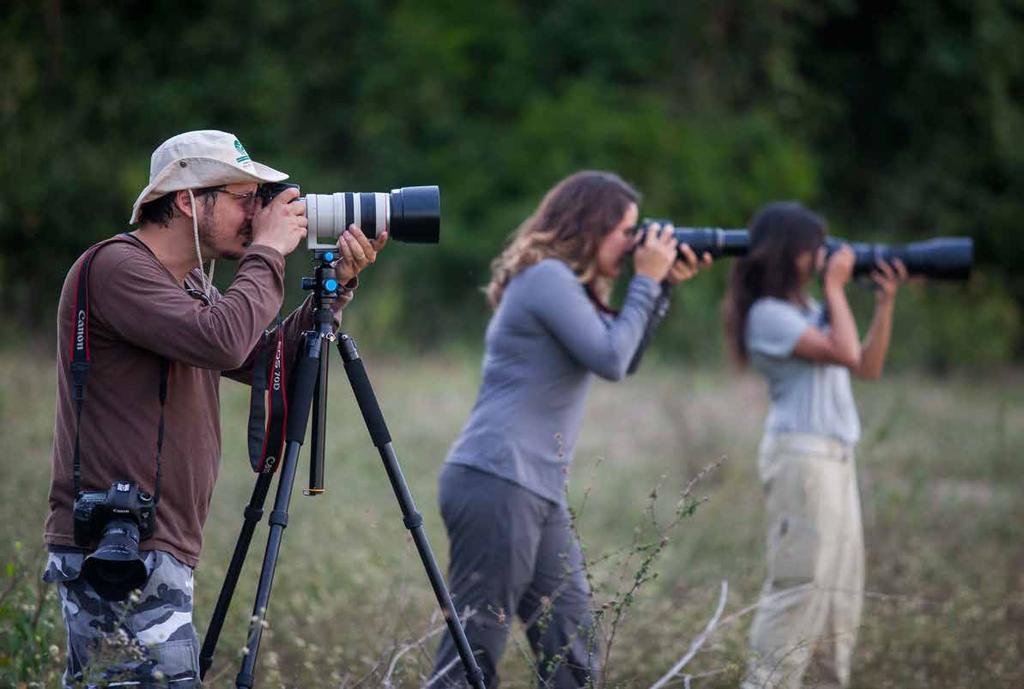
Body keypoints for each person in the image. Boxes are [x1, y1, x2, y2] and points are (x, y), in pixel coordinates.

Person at [42, 130, 387, 688]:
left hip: (154, 542)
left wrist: (334, 291)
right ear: (186, 199)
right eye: (243, 197)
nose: (258, 213)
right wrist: (269, 252)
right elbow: (222, 339)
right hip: (117, 542)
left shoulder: (188, 286)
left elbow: (258, 361)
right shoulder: (115, 268)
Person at [430, 170, 711, 688]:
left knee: (572, 650)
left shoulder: (566, 288)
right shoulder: (547, 278)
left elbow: (623, 358)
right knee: (472, 658)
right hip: (497, 479)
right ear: (590, 225)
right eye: (626, 231)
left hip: (536, 487)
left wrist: (662, 287)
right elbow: (609, 357)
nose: (632, 245)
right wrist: (646, 281)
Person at [723, 202, 907, 689]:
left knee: (838, 598)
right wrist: (835, 287)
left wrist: (884, 303)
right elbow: (844, 351)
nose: (822, 256)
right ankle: (765, 683)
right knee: (799, 586)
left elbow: (865, 366)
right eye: (813, 248)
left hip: (835, 456)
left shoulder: (808, 311)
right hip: (802, 458)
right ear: (788, 252)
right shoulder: (768, 315)